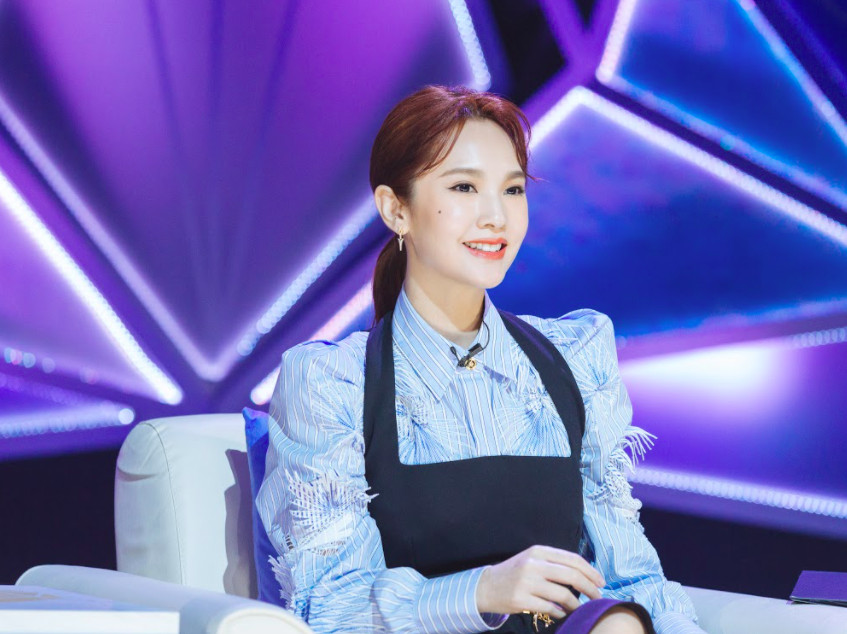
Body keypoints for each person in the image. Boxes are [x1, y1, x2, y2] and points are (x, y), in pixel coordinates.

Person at [256, 85, 706, 634]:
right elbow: (327, 609)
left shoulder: (574, 357)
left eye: (512, 190)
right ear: (396, 209)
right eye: (464, 187)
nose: (496, 216)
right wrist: (483, 591)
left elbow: (631, 577)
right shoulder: (333, 383)